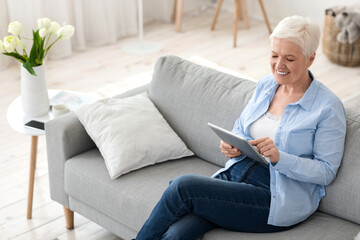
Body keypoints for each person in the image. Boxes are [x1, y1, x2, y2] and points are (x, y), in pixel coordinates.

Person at [134, 15, 347, 240]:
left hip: (274, 198)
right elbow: (241, 127)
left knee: (182, 187)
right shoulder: (266, 85)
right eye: (274, 55)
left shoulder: (327, 107)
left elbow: (326, 171)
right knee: (177, 234)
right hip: (235, 178)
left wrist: (279, 158)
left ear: (310, 59)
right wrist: (232, 143)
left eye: (289, 59)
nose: (279, 65)